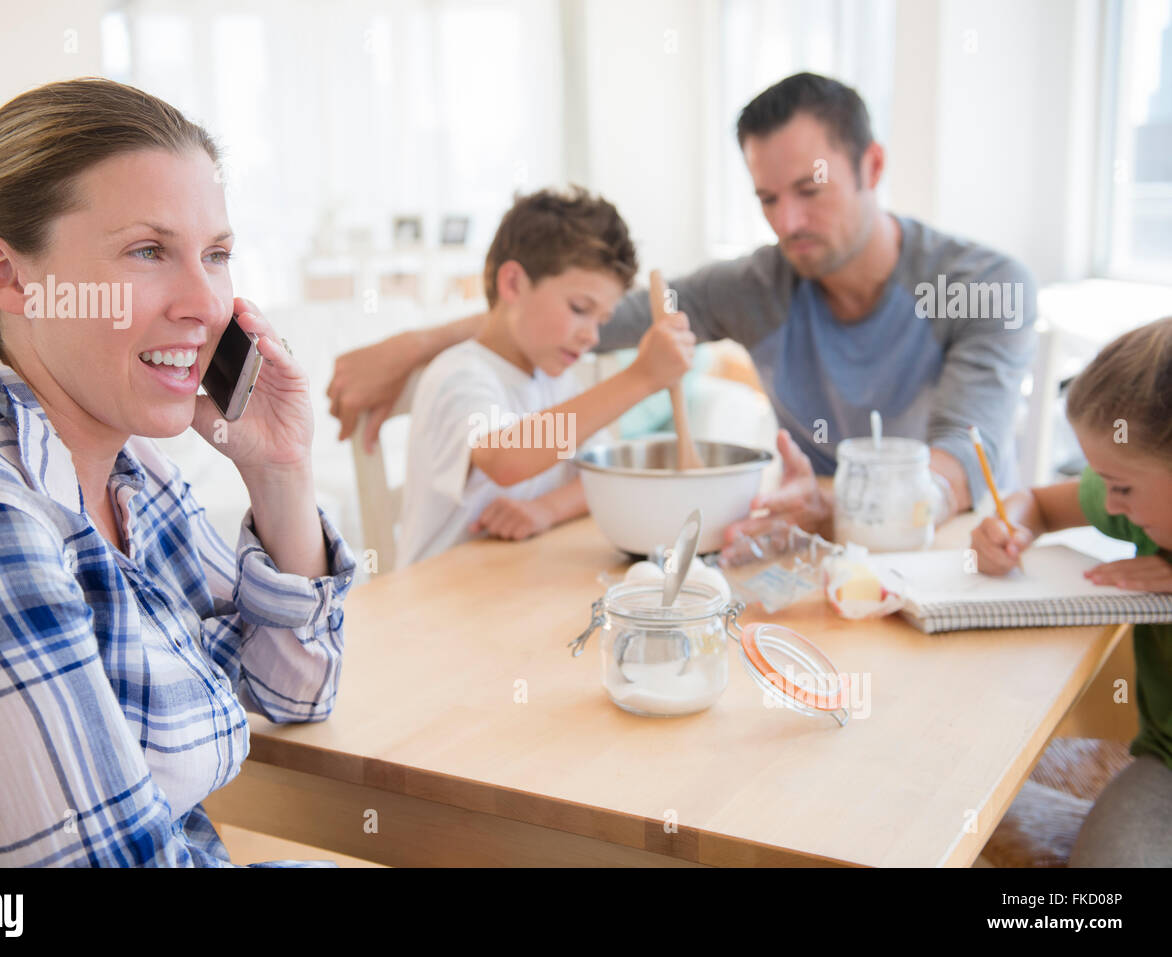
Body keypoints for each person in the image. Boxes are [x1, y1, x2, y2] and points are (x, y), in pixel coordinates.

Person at [0, 79, 355, 867]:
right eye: (147, 251)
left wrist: (279, 470)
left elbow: (295, 689)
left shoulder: (130, 470)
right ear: (8, 274)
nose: (206, 303)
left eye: (217, 255)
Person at [327, 73, 1038, 554]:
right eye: (766, 199)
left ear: (873, 167)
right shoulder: (762, 283)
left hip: (943, 547)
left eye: (808, 191)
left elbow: (954, 469)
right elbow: (595, 320)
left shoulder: (982, 284)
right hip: (798, 538)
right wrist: (421, 341)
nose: (786, 222)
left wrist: (851, 510)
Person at [396, 187, 693, 568]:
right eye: (580, 308)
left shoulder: (557, 381)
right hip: (432, 602)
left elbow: (604, 476)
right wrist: (641, 377)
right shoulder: (459, 375)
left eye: (602, 320)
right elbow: (504, 458)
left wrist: (545, 509)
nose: (593, 337)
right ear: (513, 284)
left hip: (509, 587)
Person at [970, 317, 1172, 867]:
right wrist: (1007, 528)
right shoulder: (1139, 510)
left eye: (1122, 487)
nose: (1108, 505)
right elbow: (1035, 502)